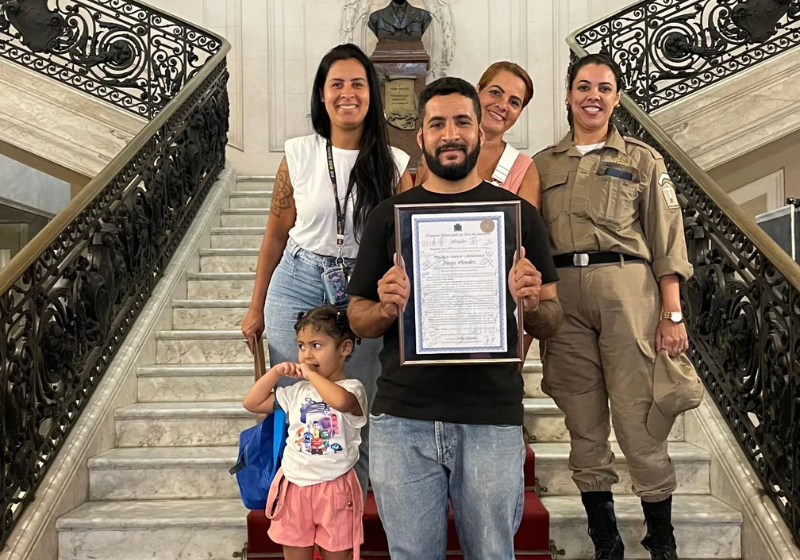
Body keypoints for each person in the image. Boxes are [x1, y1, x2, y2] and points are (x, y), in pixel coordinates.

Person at [346, 77, 563, 560]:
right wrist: (382, 306)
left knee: (492, 554)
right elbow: (358, 318)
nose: (451, 133)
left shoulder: (518, 216)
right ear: (420, 137)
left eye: (462, 121)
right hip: (404, 419)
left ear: (480, 132)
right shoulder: (389, 216)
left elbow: (553, 317)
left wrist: (530, 304)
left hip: (490, 417)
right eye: (437, 123)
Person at [533, 53, 693, 560]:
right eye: (583, 86)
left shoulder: (643, 159)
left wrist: (672, 313)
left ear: (616, 98)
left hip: (628, 290)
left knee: (639, 419)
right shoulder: (542, 164)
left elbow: (667, 237)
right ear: (567, 95)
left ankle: (661, 541)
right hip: (564, 298)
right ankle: (606, 542)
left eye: (604, 87)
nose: (592, 96)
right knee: (583, 424)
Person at [240, 43, 412, 493]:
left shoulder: (394, 164)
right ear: (322, 94)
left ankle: (357, 491)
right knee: (292, 388)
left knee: (360, 392)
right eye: (336, 84)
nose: (347, 93)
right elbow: (276, 234)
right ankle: (292, 488)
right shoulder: (298, 154)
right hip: (298, 277)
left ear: (371, 94)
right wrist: (255, 307)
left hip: (360, 286)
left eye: (358, 83)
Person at [243, 305, 368, 560]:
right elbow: (252, 403)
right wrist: (275, 373)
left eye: (316, 345)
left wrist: (310, 374)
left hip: (335, 488)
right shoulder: (296, 392)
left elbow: (341, 402)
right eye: (301, 346)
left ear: (345, 348)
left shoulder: (352, 389)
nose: (307, 354)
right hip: (294, 487)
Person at [414, 61, 539, 204]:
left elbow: (524, 224)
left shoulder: (525, 169)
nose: (503, 105)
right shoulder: (436, 155)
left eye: (514, 102)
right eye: (495, 93)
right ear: (477, 91)